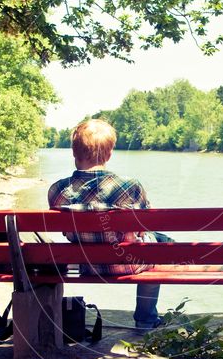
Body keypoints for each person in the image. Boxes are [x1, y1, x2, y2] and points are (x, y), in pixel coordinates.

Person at [47, 119, 162, 330]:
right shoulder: (130, 186)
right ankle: (145, 320)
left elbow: (65, 231)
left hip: (85, 264)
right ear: (109, 154)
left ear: (74, 152)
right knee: (158, 245)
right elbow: (143, 227)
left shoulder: (57, 190)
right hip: (128, 263)